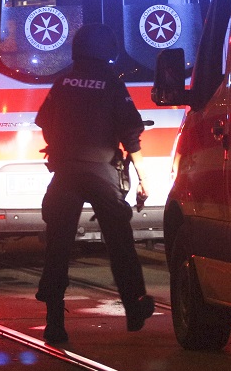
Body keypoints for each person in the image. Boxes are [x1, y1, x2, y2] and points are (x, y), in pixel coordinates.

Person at [34, 22, 155, 344]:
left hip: (65, 173)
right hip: (101, 172)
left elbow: (43, 120)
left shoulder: (64, 81)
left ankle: (54, 322)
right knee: (120, 243)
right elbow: (131, 135)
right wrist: (143, 178)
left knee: (57, 247)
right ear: (108, 50)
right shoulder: (111, 84)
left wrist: (61, 146)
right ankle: (134, 307)